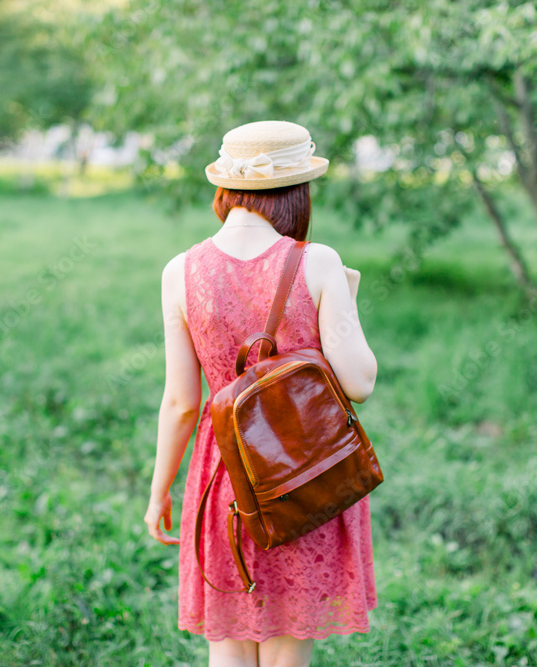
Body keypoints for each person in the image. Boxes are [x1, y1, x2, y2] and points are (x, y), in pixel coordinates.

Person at [144, 120, 378, 667]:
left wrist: (160, 492)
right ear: (298, 190)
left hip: (222, 475)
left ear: (226, 189)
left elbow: (181, 403)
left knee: (227, 642)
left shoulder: (180, 272)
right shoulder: (315, 262)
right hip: (301, 474)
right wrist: (346, 297)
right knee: (286, 649)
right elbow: (360, 382)